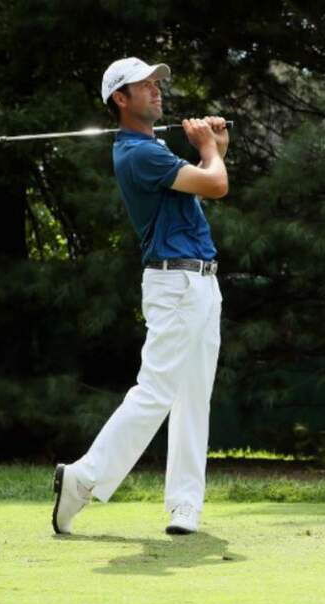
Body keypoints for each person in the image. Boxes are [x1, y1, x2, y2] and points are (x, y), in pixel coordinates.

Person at [52, 57, 229, 535]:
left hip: (200, 282)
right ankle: (83, 478)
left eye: (156, 83)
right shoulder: (138, 154)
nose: (156, 90)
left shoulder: (153, 150)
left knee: (193, 397)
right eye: (143, 85)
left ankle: (185, 505)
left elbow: (205, 181)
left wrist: (216, 149)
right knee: (155, 392)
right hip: (176, 284)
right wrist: (209, 148)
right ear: (120, 98)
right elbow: (217, 184)